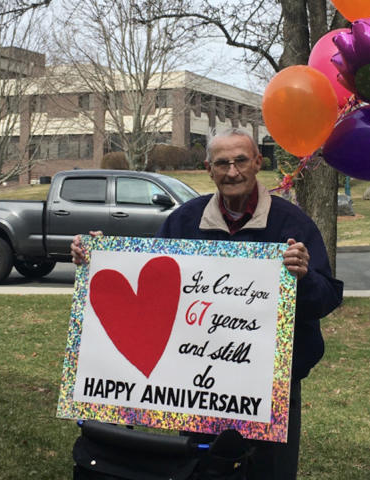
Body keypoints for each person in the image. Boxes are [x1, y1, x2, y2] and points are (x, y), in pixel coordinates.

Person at [71, 127, 344, 479]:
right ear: (209, 169)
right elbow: (149, 285)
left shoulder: (292, 224)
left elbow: (326, 299)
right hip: (197, 386)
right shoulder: (184, 221)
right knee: (202, 471)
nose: (232, 172)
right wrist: (98, 260)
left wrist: (303, 279)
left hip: (269, 387)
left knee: (268, 473)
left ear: (258, 162)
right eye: (222, 163)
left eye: (241, 161)